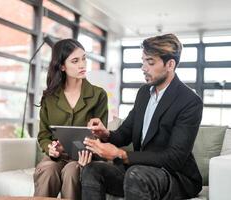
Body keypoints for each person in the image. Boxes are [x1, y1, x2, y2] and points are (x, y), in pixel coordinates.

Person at [81, 33, 203, 200]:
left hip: (175, 175)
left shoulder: (189, 101)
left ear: (170, 64)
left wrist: (121, 155)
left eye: (150, 62)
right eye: (143, 61)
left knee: (136, 174)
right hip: (140, 170)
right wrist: (105, 134)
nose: (143, 68)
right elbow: (124, 134)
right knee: (92, 170)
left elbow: (174, 158)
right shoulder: (144, 93)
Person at [33, 38, 108, 200]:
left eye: (84, 58)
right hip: (57, 156)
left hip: (86, 157)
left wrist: (94, 144)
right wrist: (50, 148)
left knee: (72, 171)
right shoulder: (49, 98)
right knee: (47, 170)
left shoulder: (98, 95)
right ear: (62, 66)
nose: (82, 64)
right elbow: (43, 135)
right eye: (75, 61)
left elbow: (101, 135)